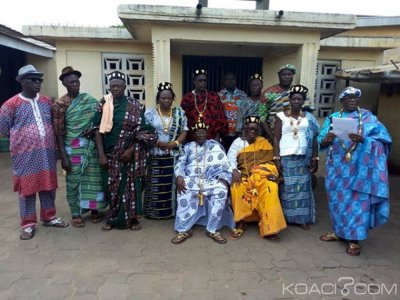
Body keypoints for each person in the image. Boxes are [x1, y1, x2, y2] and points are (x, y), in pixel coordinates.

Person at [318, 86, 392, 256]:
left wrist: (364, 139)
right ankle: (338, 232)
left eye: (355, 97)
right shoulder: (333, 118)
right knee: (337, 202)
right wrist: (326, 139)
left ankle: (354, 240)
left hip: (360, 170)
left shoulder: (368, 118)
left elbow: (384, 140)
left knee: (357, 204)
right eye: (349, 98)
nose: (353, 100)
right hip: (336, 170)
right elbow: (320, 142)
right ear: (342, 101)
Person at [0, 65, 69, 240]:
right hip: (24, 155)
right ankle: (28, 224)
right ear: (22, 82)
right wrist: (25, 137)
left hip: (47, 153)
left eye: (39, 80)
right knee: (27, 190)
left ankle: (49, 217)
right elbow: (4, 129)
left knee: (48, 186)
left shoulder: (47, 102)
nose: (37, 83)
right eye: (33, 80)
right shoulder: (10, 105)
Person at [93, 71, 157, 231]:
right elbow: (96, 130)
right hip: (109, 155)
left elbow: (145, 131)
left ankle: (133, 218)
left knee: (132, 187)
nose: (115, 89)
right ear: (109, 87)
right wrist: (101, 154)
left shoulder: (134, 106)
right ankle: (112, 218)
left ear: (125, 87)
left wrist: (131, 149)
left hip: (128, 156)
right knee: (111, 188)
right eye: (112, 86)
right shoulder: (103, 104)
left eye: (119, 86)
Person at [52, 66, 106, 227]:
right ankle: (76, 213)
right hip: (72, 147)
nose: (75, 84)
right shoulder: (59, 104)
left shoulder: (88, 99)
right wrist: (63, 157)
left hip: (91, 147)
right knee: (74, 180)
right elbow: (59, 132)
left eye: (77, 81)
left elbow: (97, 120)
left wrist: (93, 129)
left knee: (93, 179)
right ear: (65, 84)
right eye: (71, 82)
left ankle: (95, 209)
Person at [172, 119, 234, 244]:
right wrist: (179, 176)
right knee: (184, 188)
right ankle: (183, 230)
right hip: (191, 179)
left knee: (221, 189)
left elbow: (225, 165)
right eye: (198, 133)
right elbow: (181, 162)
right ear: (194, 135)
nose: (201, 135)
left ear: (207, 133)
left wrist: (223, 178)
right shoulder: (188, 147)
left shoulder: (214, 146)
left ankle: (212, 229)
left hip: (210, 180)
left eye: (203, 132)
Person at [228, 116, 287, 240]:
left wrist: (273, 174)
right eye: (250, 129)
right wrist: (234, 170)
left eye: (255, 129)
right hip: (244, 175)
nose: (253, 131)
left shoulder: (264, 142)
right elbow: (230, 159)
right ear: (245, 129)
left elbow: (271, 161)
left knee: (271, 187)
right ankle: (241, 221)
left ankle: (270, 227)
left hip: (262, 176)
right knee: (236, 187)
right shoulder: (238, 142)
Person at [273, 84, 319, 230]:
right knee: (287, 189)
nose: (296, 101)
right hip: (286, 157)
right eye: (294, 99)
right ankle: (285, 218)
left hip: (303, 157)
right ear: (290, 100)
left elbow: (315, 138)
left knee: (302, 190)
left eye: (300, 99)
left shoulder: (309, 118)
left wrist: (315, 159)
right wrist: (276, 157)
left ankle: (302, 219)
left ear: (303, 101)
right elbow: (276, 138)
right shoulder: (280, 116)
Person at [143, 82, 188, 219]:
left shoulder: (179, 113)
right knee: (155, 182)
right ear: (158, 99)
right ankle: (153, 212)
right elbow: (143, 131)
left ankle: (171, 212)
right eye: (163, 98)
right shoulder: (150, 113)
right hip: (155, 153)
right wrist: (156, 142)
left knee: (171, 184)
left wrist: (174, 143)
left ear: (172, 98)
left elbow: (184, 131)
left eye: (169, 98)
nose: (166, 100)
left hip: (173, 154)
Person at [181, 69, 227, 142]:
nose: (203, 83)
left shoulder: (213, 96)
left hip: (211, 137)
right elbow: (183, 120)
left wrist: (217, 136)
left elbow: (219, 118)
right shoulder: (188, 97)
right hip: (192, 138)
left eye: (205, 81)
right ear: (194, 82)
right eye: (200, 81)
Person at [258, 64, 296, 142]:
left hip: (294, 135)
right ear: (279, 75)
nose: (287, 77)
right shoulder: (268, 92)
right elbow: (262, 117)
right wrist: (272, 137)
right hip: (273, 134)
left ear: (293, 75)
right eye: (284, 74)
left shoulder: (297, 91)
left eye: (289, 74)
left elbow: (306, 113)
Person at [218, 72, 248, 150]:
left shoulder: (243, 95)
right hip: (224, 133)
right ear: (224, 81)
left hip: (239, 133)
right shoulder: (219, 95)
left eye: (232, 79)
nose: (230, 81)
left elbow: (246, 113)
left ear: (236, 81)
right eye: (228, 79)